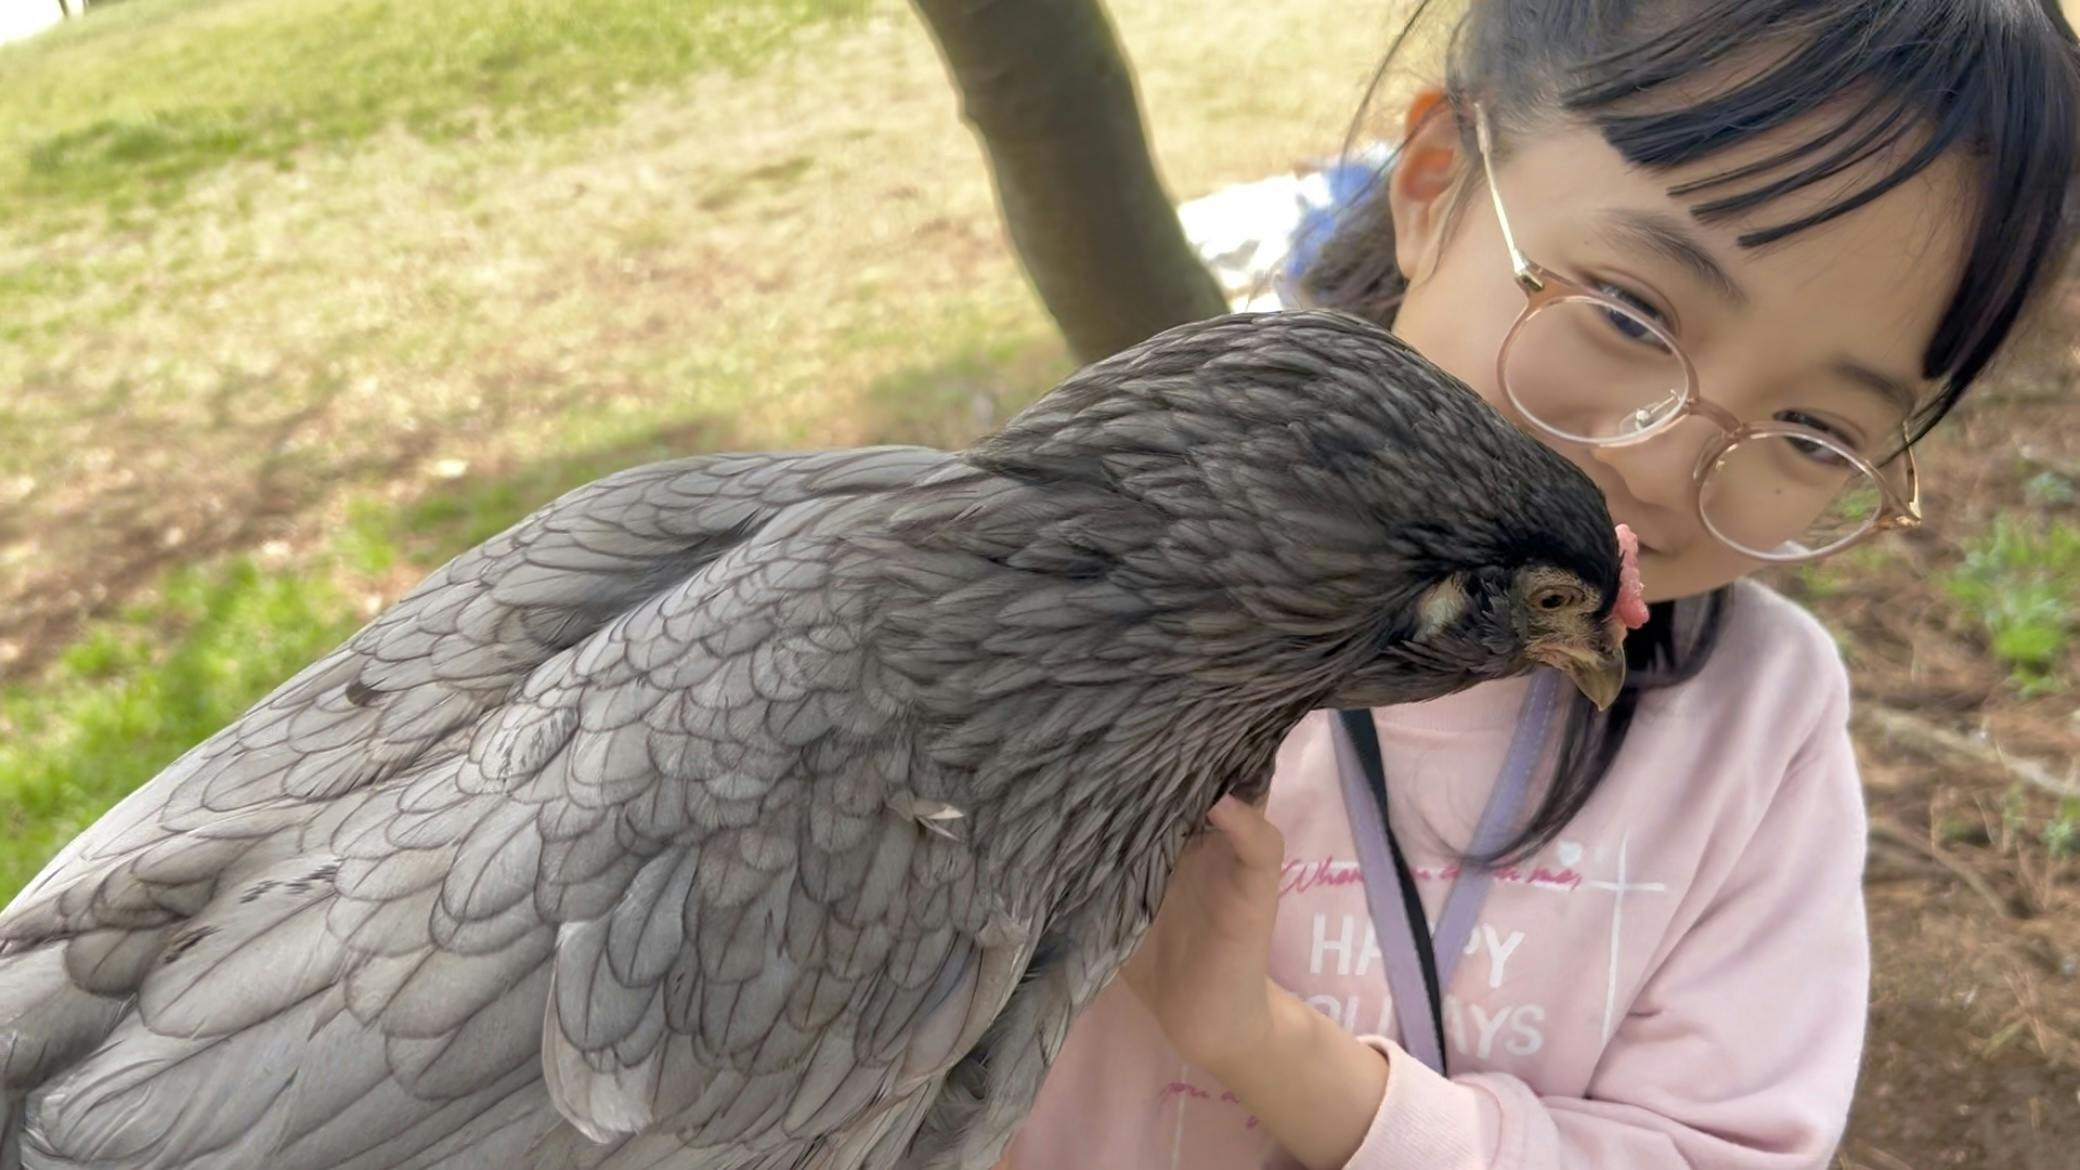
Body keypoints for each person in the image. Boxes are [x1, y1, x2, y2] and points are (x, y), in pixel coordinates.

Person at [1001, 1, 2080, 1167]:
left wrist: (1267, 1046)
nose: (1660, 466)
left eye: (1815, 434)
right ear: (1433, 188)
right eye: (1628, 314)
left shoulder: (1755, 733)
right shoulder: (1065, 586)